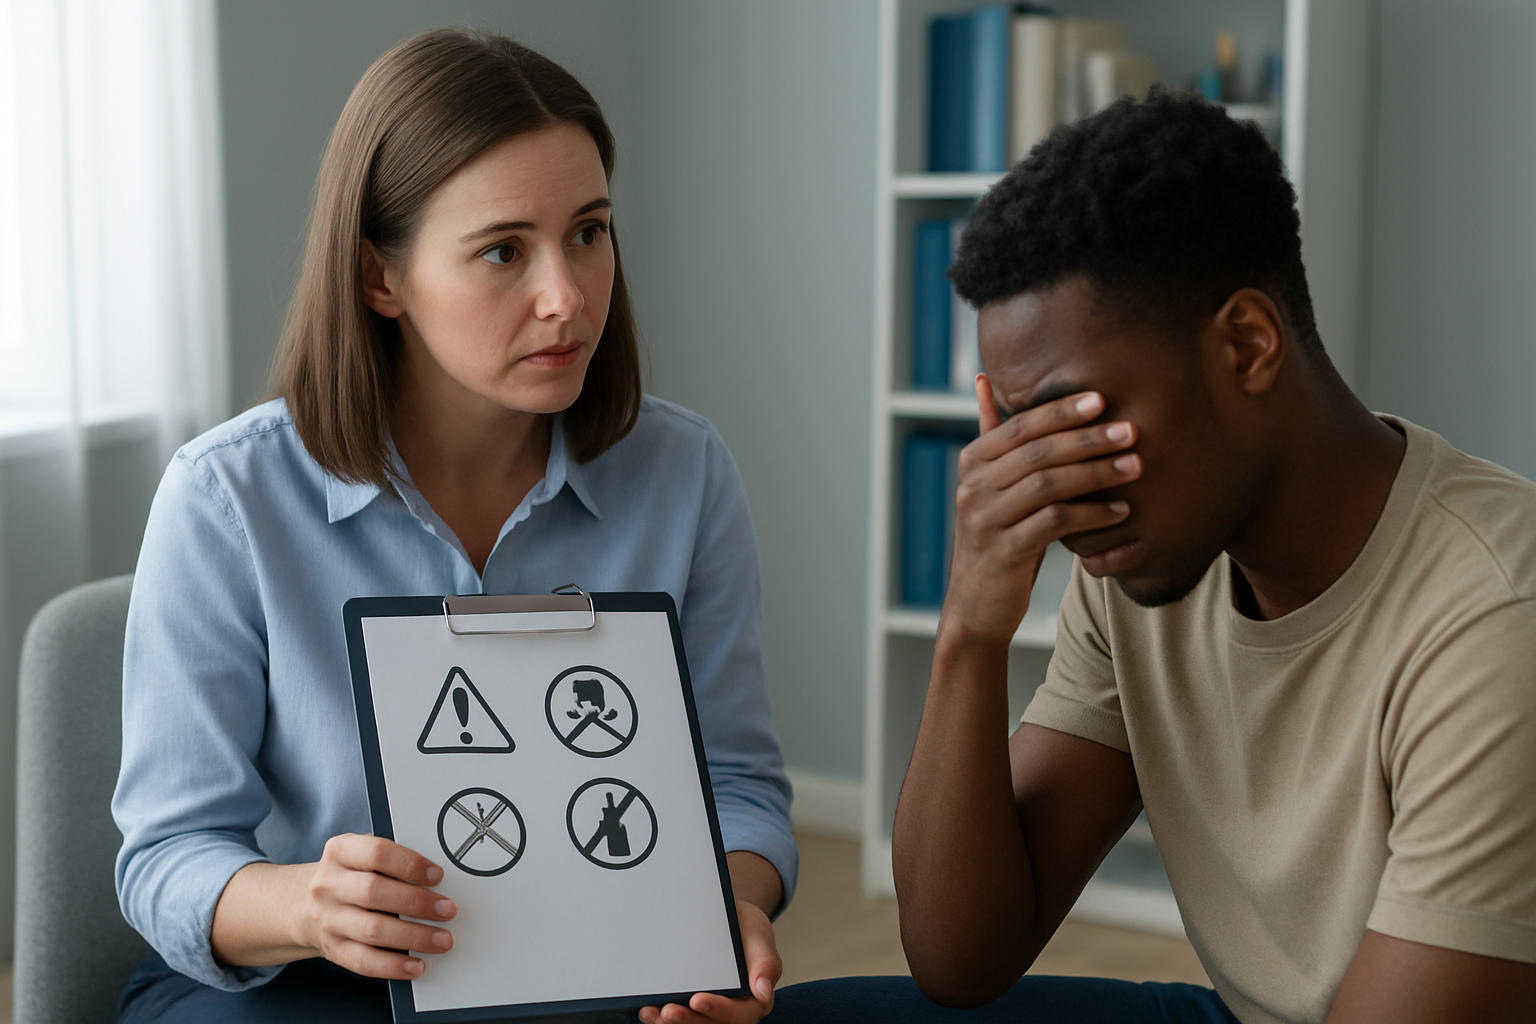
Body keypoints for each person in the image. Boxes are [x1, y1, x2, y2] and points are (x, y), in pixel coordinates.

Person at [768, 90, 1536, 1023]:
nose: (1057, 489)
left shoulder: (1498, 617)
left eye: (1079, 420)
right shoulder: (1145, 561)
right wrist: (970, 626)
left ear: (1247, 345)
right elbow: (958, 959)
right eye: (1020, 433)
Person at [112, 29, 794, 1024]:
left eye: (589, 232)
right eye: (503, 250)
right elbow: (168, 857)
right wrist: (310, 906)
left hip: (590, 976)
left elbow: (733, 784)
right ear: (380, 279)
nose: (567, 297)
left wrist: (727, 909)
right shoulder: (225, 498)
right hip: (305, 987)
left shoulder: (687, 474)